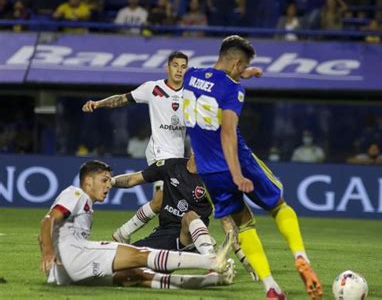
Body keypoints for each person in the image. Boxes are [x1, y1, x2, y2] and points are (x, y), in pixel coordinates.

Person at [182, 35, 323, 300]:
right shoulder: (233, 90)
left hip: (209, 172)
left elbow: (216, 80)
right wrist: (237, 175)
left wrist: (243, 73)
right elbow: (227, 133)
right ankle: (300, 257)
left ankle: (271, 287)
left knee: (244, 225)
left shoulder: (191, 76)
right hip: (238, 162)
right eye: (242, 66)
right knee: (279, 206)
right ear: (236, 64)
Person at [38, 160, 234, 289]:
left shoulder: (85, 205)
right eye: (104, 180)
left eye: (109, 181)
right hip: (77, 256)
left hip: (66, 273)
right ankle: (210, 261)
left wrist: (48, 248)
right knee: (141, 256)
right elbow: (48, 220)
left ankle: (211, 279)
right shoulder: (76, 194)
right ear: (88, 181)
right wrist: (47, 250)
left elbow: (48, 230)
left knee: (137, 277)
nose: (108, 185)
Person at [82, 51, 188, 241]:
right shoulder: (153, 88)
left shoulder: (191, 93)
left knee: (171, 203)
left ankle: (111, 184)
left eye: (183, 66)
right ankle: (124, 233)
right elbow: (121, 99)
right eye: (175, 65)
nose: (179, 70)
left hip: (179, 156)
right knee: (160, 200)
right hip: (159, 152)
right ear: (167, 68)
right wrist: (98, 103)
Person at [111, 154, 257, 280]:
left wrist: (243, 257)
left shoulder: (211, 182)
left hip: (186, 236)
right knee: (120, 263)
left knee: (189, 215)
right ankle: (201, 249)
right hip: (163, 233)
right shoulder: (170, 166)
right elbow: (133, 179)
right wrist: (109, 182)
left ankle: (212, 258)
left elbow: (226, 221)